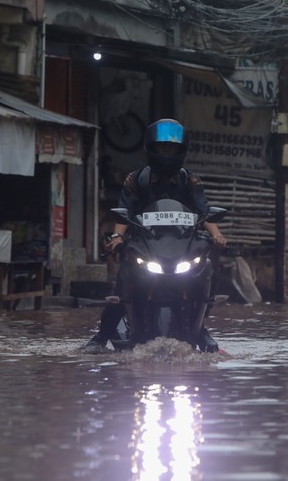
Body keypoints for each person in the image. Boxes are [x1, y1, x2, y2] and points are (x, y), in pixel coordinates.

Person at [87, 118, 227, 352]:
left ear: (181, 151)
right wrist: (117, 238)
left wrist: (217, 235)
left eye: (171, 148)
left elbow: (205, 213)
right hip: (144, 245)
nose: (166, 153)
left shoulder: (190, 181)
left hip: (182, 244)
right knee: (123, 283)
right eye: (162, 148)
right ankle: (101, 337)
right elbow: (124, 214)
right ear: (151, 149)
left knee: (207, 266)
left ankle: (200, 326)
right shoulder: (136, 180)